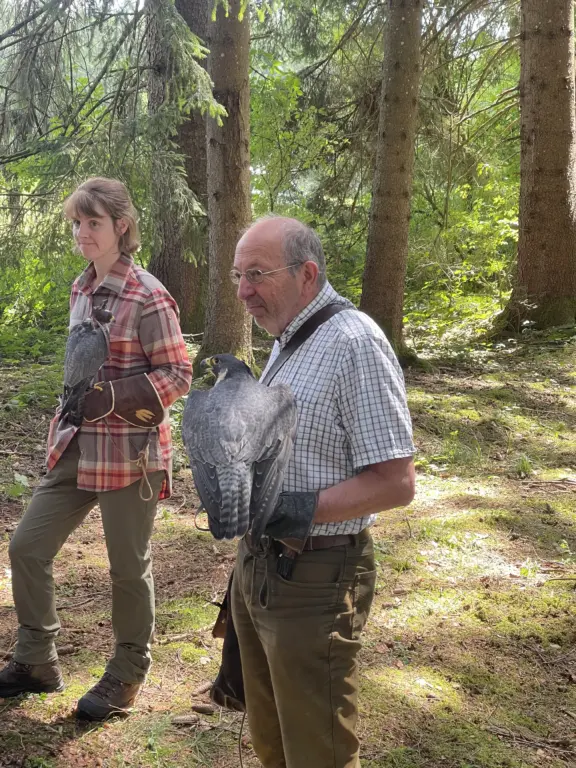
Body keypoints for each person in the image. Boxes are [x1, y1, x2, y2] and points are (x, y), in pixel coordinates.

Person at [0, 177, 192, 719]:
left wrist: (113, 398)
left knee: (128, 568)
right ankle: (37, 660)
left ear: (121, 227)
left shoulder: (148, 294)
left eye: (94, 223)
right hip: (77, 445)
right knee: (26, 548)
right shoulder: (81, 288)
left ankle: (128, 671)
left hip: (131, 452)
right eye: (78, 224)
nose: (83, 233)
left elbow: (179, 373)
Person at [229, 216, 416, 768]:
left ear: (306, 274)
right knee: (272, 740)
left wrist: (297, 509)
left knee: (317, 752)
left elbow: (395, 482)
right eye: (239, 276)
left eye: (257, 275)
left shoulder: (354, 343)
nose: (243, 292)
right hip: (259, 570)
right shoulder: (289, 339)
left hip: (316, 579)